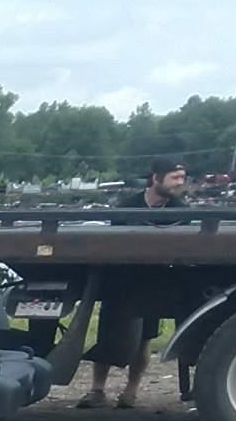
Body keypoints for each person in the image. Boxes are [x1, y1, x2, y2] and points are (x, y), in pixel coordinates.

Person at [78, 157, 189, 408]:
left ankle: (131, 391)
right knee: (108, 335)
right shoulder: (128, 206)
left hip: (155, 280)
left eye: (182, 178)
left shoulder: (180, 210)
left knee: (144, 339)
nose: (179, 184)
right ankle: (97, 390)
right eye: (175, 178)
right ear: (156, 178)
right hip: (122, 280)